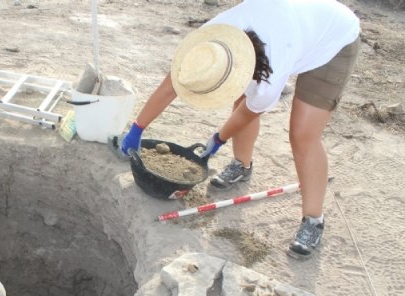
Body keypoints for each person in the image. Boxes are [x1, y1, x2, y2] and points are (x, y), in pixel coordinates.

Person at [120, 0, 360, 259]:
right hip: (293, 27)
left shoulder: (268, 80)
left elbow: (250, 111)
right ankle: (242, 166)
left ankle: (313, 220)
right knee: (240, 97)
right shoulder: (212, 38)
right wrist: (137, 128)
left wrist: (217, 139)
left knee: (303, 135)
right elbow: (172, 83)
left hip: (333, 40)